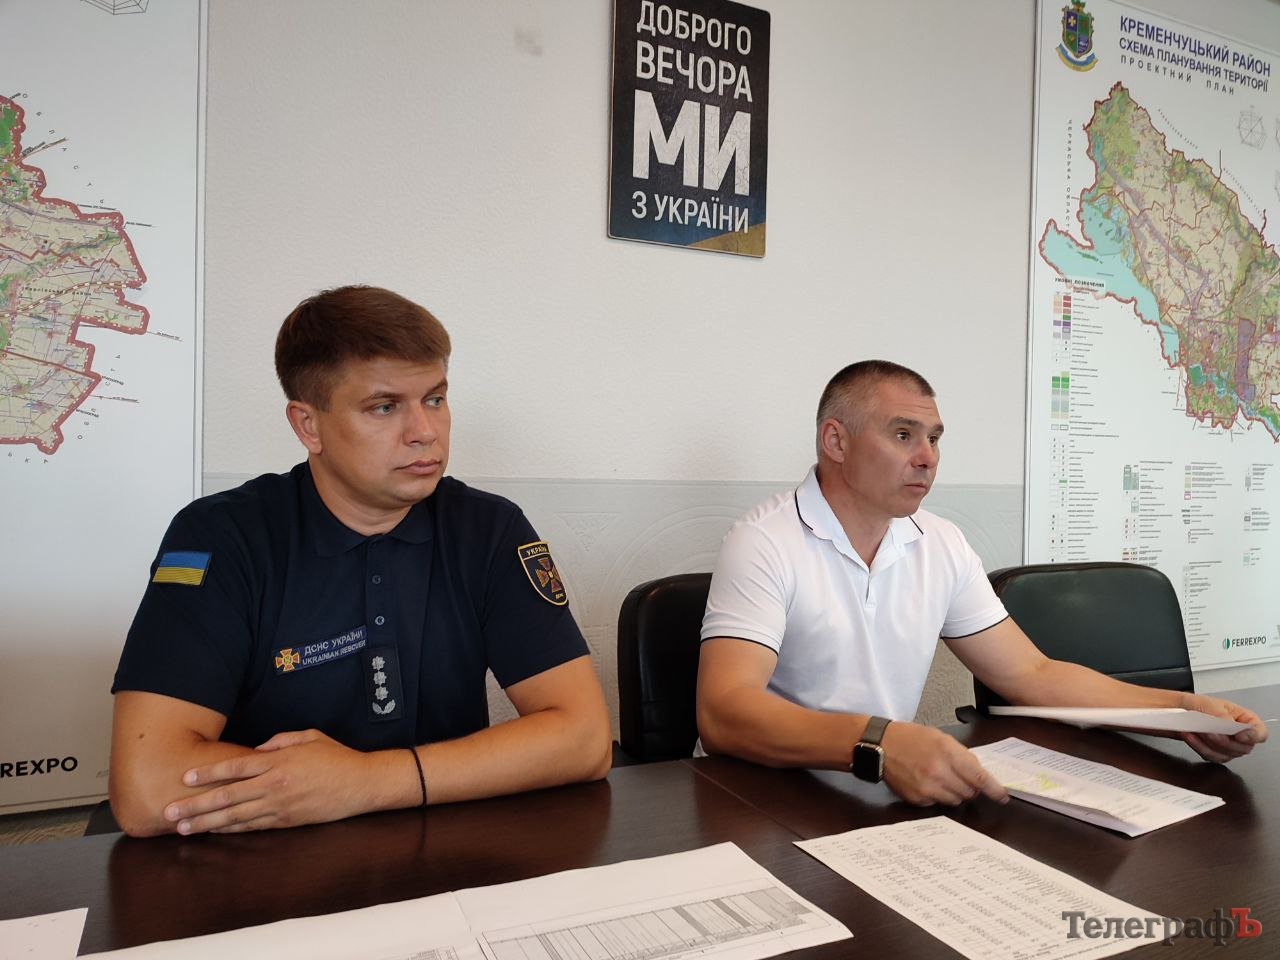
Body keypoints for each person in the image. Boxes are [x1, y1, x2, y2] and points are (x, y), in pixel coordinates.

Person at [109, 285, 611, 837]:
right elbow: (148, 785)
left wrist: (367, 782)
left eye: (435, 399)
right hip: (274, 862)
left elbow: (584, 739)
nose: (425, 432)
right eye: (384, 407)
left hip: (446, 854)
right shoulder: (222, 537)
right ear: (308, 425)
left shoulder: (489, 529)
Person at [695, 360, 1268, 806]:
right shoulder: (764, 541)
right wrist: (881, 741)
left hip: (876, 792)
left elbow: (1032, 674)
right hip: (762, 797)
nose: (927, 458)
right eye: (903, 434)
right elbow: (724, 713)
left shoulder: (939, 542)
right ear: (836, 441)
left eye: (935, 438)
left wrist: (1178, 712)